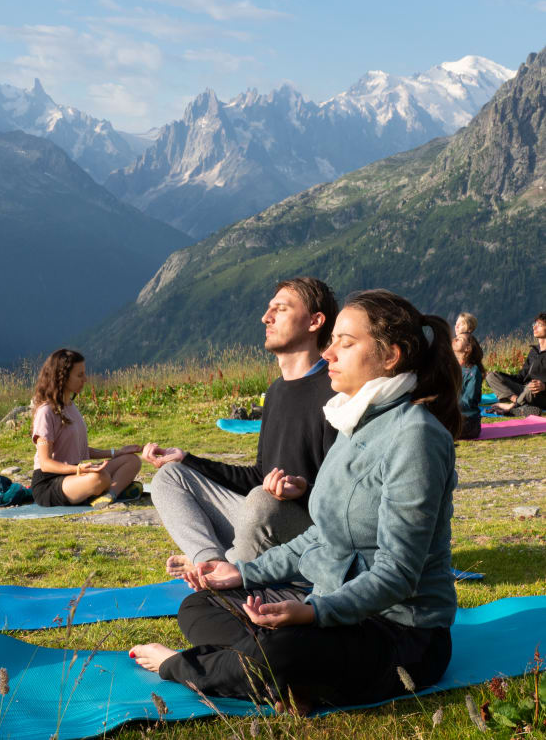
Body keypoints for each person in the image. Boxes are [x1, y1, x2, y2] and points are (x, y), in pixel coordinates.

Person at [130, 289, 461, 715]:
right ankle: (282, 670)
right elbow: (321, 535)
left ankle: (192, 665)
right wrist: (242, 574)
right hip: (329, 603)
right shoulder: (352, 421)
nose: (330, 353)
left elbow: (398, 574)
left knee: (281, 652)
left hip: (400, 632)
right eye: (332, 341)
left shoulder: (415, 436)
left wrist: (314, 614)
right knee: (200, 605)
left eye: (346, 342)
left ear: (391, 356)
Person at [143, 277, 338, 576]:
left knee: (262, 501)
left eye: (280, 309)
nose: (266, 317)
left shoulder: (335, 391)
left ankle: (231, 567)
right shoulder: (275, 392)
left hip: (310, 535)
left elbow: (345, 498)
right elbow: (258, 476)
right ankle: (210, 561)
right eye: (268, 309)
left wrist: (301, 492)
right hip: (260, 519)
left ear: (315, 321)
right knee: (170, 477)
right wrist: (188, 460)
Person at [31, 349, 142, 507]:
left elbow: (81, 450)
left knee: (132, 460)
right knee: (99, 477)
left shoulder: (70, 406)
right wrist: (79, 470)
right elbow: (46, 464)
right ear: (62, 377)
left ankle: (110, 494)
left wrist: (118, 452)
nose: (85, 379)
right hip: (50, 482)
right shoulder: (46, 411)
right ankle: (111, 488)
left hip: (77, 473)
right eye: (79, 375)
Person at [486, 313, 546, 416]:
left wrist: (544, 386)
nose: (534, 327)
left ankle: (511, 408)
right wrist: (500, 375)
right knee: (491, 376)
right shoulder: (534, 351)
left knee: (530, 387)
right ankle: (518, 404)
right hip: (524, 390)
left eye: (539, 324)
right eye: (534, 324)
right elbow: (520, 377)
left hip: (541, 394)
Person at [452, 333, 484, 439]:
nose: (455, 340)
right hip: (454, 416)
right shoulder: (452, 367)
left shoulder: (473, 372)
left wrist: (445, 405)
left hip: (468, 422)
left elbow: (468, 401)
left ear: (467, 348)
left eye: (459, 339)